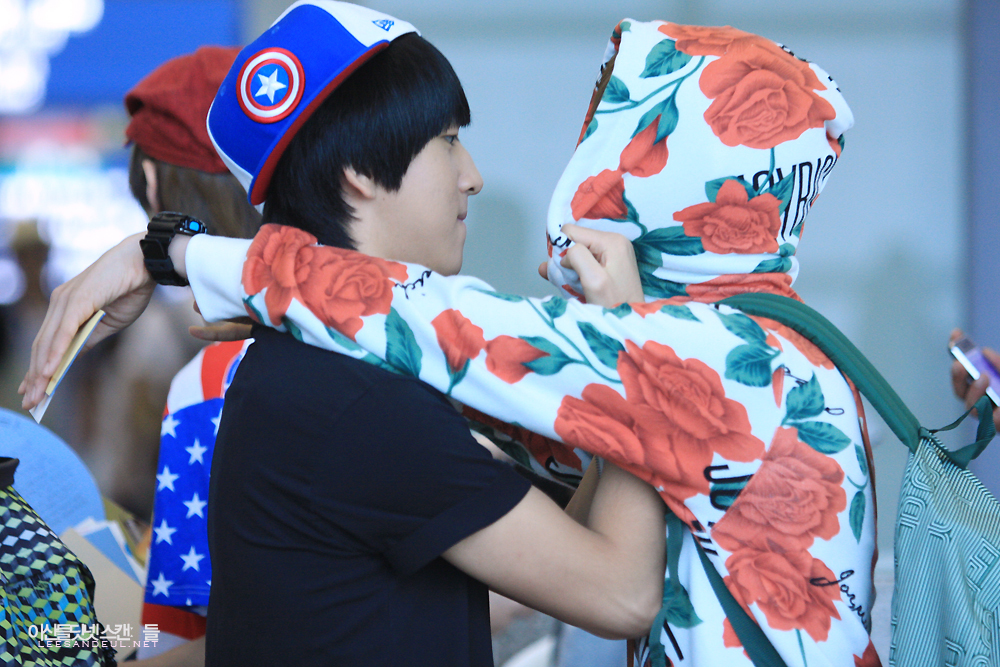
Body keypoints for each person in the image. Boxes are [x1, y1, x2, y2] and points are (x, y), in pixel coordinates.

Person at [21, 10, 879, 667]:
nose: (473, 175)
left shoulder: (320, 374)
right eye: (448, 141)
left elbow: (552, 523)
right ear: (360, 170)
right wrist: (627, 345)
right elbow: (618, 589)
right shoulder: (358, 398)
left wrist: (625, 353)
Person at [120, 46, 263, 666]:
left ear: (153, 183)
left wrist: (70, 642)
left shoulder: (208, 381)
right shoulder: (375, 339)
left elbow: (189, 642)